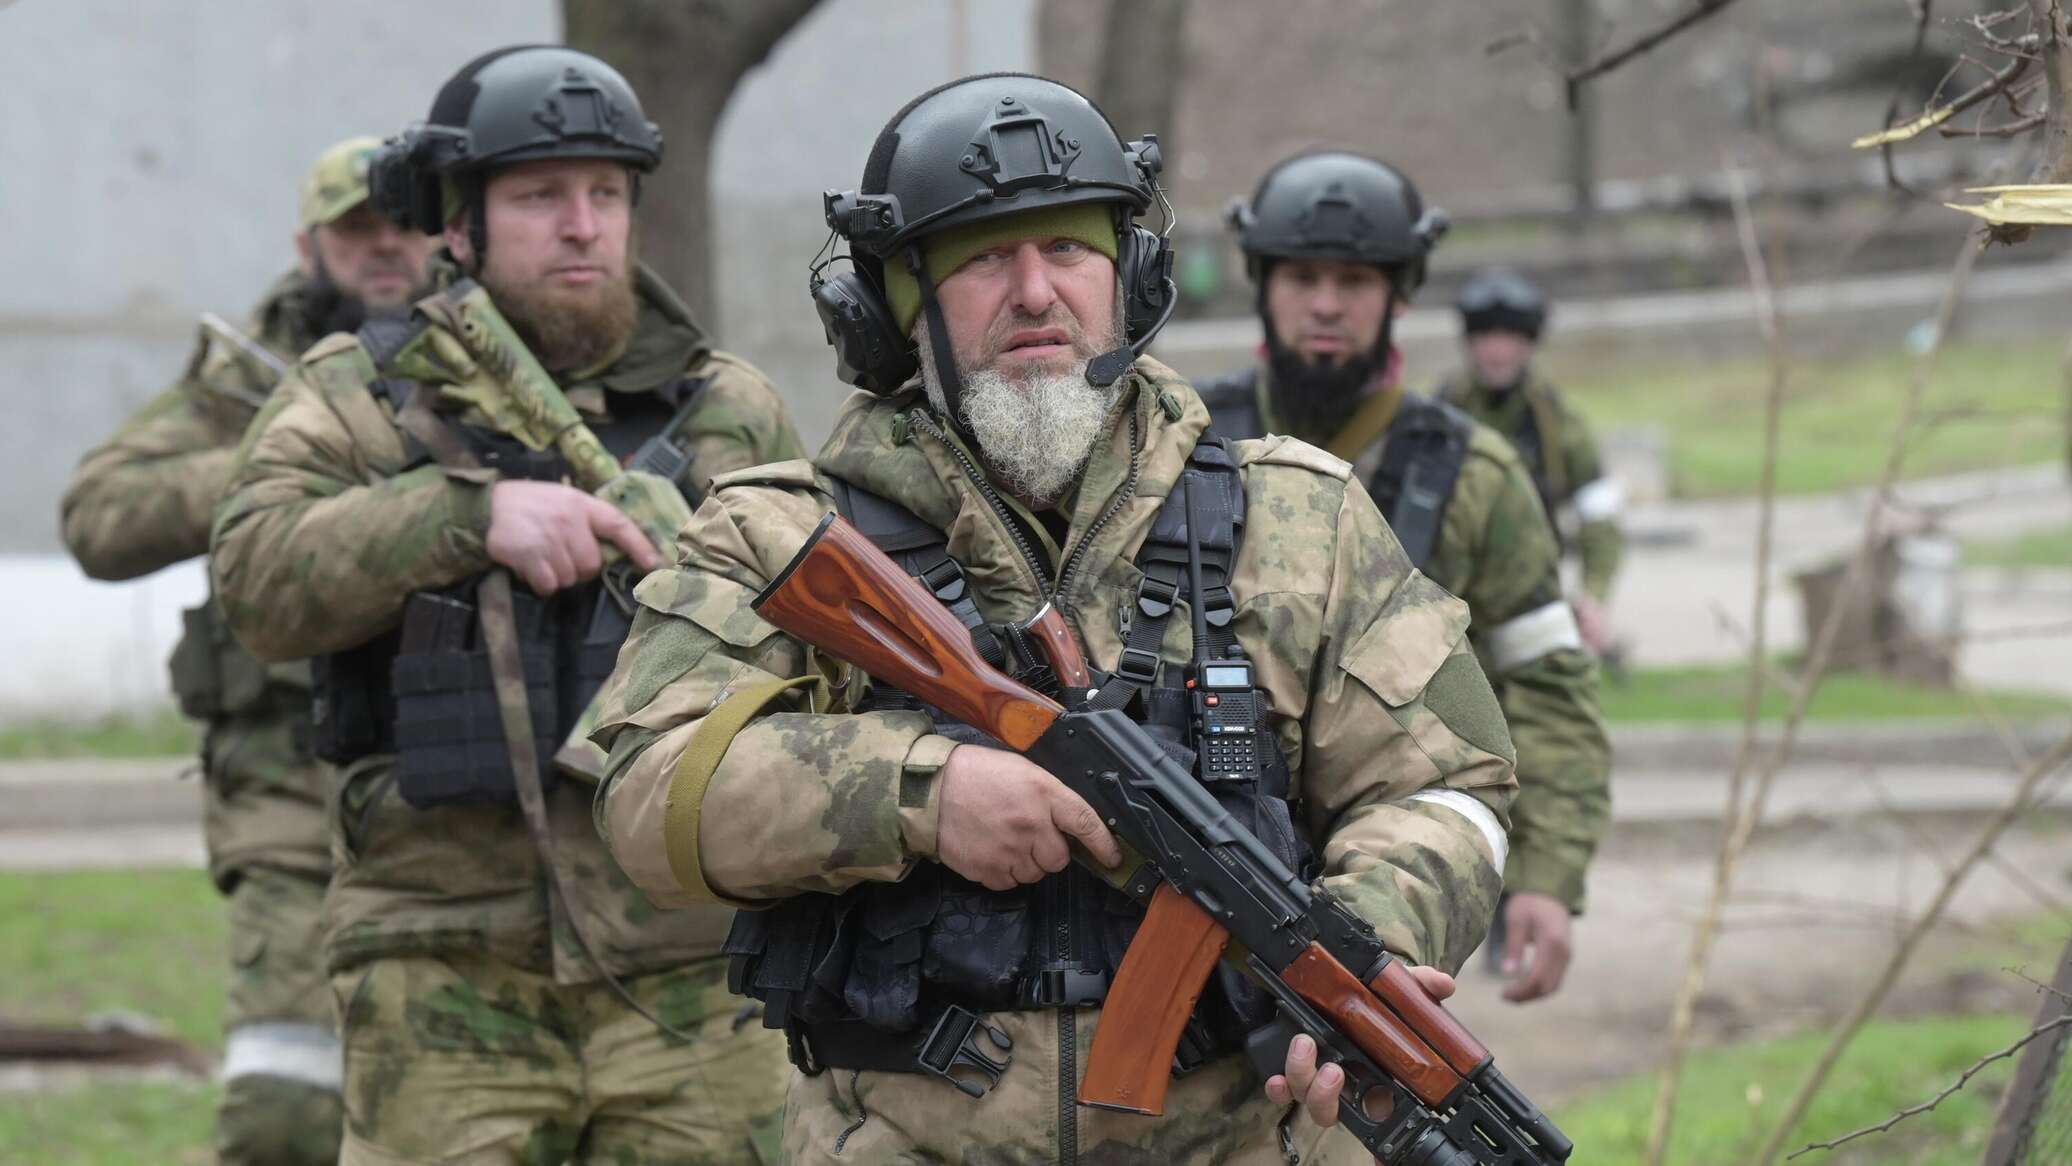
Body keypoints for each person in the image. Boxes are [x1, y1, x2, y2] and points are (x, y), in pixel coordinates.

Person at [585, 73, 1515, 1163]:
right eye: (983, 256)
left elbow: (1450, 785)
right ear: (892, 306)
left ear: (1130, 276)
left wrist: (1370, 936)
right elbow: (648, 793)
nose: (1035, 291)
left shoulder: (1299, 515)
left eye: (1068, 249)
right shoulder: (779, 536)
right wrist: (920, 788)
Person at [209, 46, 802, 1165]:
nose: (581, 224)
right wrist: (462, 517)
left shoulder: (729, 410)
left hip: (691, 973)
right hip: (441, 969)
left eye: (605, 194)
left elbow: (826, 638)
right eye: (540, 196)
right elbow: (255, 579)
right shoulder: (356, 397)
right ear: (457, 224)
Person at [59, 135, 435, 1166]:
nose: (383, 248)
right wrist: (286, 453)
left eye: (401, 223)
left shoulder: (491, 353)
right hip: (289, 787)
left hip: (464, 780)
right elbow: (101, 514)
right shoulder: (249, 376)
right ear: (307, 244)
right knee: (287, 1108)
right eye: (356, 230)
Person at [1197, 152, 1610, 1004]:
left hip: (1392, 886)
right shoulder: (1186, 449)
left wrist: (1547, 873)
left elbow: (1547, 684)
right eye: (1302, 276)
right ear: (1262, 282)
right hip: (1207, 862)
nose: (1326, 303)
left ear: (1400, 292)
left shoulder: (1475, 476)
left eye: (1355, 279)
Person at [1437, 267, 1626, 655]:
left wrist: (1594, 595)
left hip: (1533, 600)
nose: (1498, 351)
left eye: (1511, 337)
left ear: (1529, 344)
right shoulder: (1440, 414)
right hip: (1447, 602)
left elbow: (1599, 513)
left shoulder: (1557, 424)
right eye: (1488, 336)